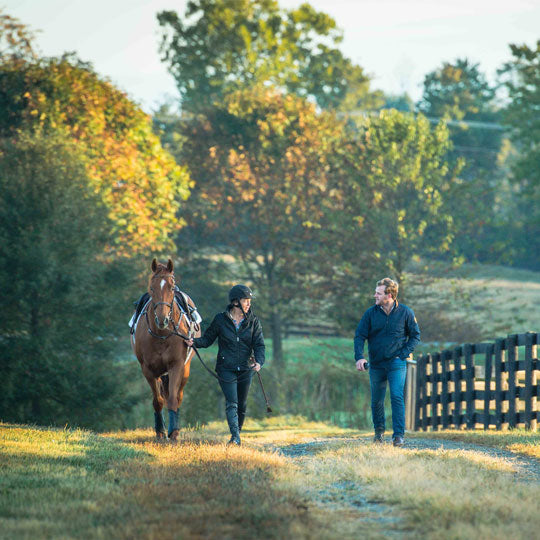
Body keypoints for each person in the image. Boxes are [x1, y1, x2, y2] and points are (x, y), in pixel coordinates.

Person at [184, 284, 265, 446]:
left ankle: (237, 434)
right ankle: (235, 438)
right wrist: (194, 342)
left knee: (241, 405)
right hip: (225, 368)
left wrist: (259, 362)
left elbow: (259, 345)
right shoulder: (220, 319)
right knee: (232, 402)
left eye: (249, 301)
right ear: (235, 302)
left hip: (245, 369)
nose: (249, 304)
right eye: (245, 300)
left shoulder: (253, 321)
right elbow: (207, 340)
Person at [354, 278, 420, 447]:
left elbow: (415, 336)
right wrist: (359, 357)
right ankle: (379, 432)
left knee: (397, 396)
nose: (374, 295)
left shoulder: (406, 313)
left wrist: (403, 354)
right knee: (377, 399)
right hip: (376, 364)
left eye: (378, 293)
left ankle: (398, 436)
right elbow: (360, 336)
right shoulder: (370, 313)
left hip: (396, 363)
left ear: (389, 295)